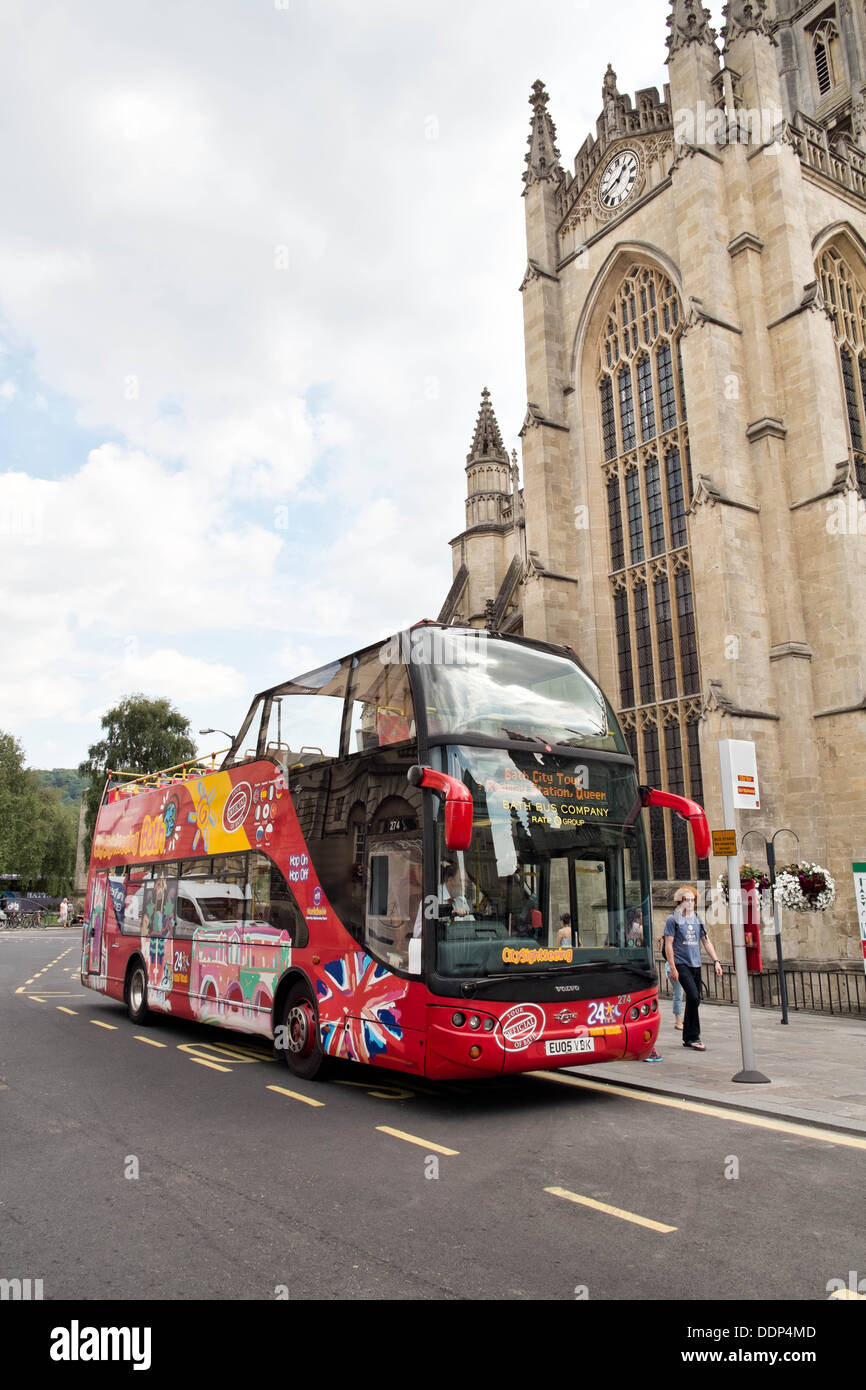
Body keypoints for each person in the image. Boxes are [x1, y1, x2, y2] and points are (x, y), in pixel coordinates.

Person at [663, 885, 723, 1050]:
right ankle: (694, 1037)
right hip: (681, 963)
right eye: (686, 900)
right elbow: (668, 944)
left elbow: (706, 941)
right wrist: (673, 967)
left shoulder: (697, 918)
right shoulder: (672, 919)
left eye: (692, 900)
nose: (690, 903)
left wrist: (716, 961)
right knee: (694, 997)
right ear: (680, 902)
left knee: (694, 999)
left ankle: (688, 1037)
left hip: (696, 963)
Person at [658, 930, 685, 1030]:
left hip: (676, 967)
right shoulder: (672, 937)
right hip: (672, 968)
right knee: (678, 993)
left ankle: (682, 1019)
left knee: (685, 993)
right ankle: (678, 1021)